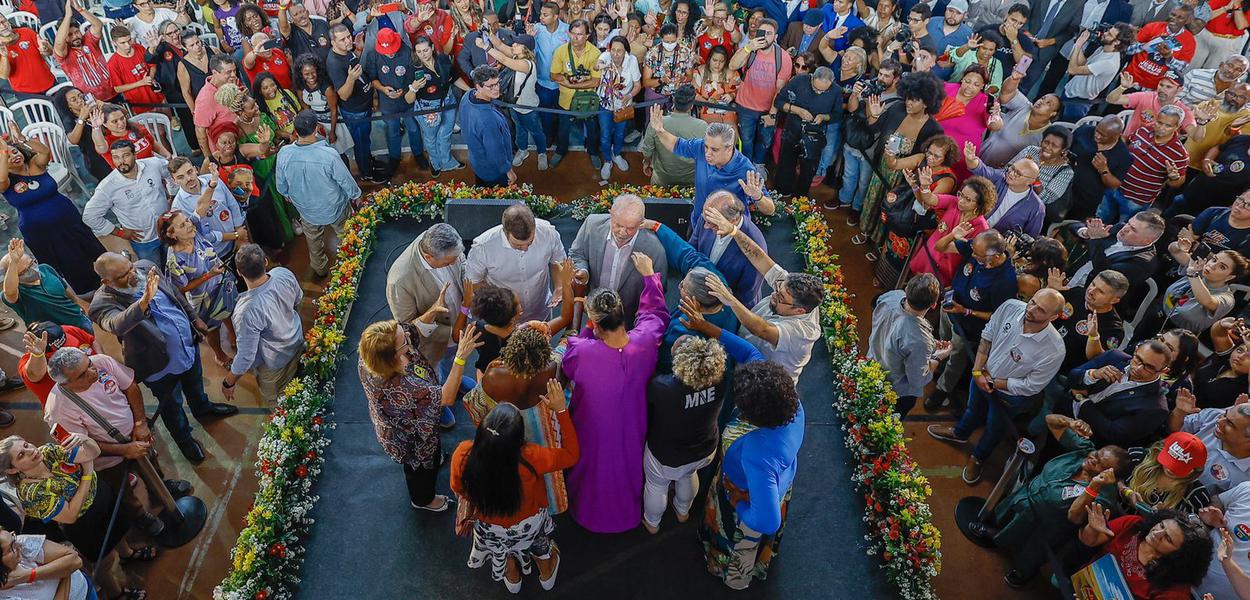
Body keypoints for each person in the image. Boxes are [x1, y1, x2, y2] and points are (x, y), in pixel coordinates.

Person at [89, 252, 237, 463]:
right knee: (172, 406)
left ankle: (203, 409)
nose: (132, 273)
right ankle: (185, 440)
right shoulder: (102, 303)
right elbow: (116, 324)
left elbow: (174, 294)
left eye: (130, 266)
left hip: (186, 347)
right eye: (124, 274)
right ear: (106, 281)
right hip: (158, 365)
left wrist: (195, 320)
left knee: (195, 385)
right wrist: (143, 301)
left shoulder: (145, 267)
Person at [562, 252, 668, 533]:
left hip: (592, 426)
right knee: (628, 465)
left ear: (595, 323)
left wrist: (585, 327)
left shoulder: (582, 351)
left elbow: (570, 361)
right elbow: (655, 315)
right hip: (633, 423)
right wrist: (648, 274)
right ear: (622, 313)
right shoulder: (644, 342)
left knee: (592, 468)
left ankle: (589, 510)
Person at [967, 413, 1130, 587]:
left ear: (1110, 476)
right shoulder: (1084, 450)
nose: (1092, 458)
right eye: (1097, 454)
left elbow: (1074, 517)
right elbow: (1050, 421)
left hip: (1049, 526)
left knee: (1032, 553)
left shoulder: (1104, 498)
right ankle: (994, 533)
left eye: (1100, 464)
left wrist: (1093, 487)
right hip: (1027, 497)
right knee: (1006, 521)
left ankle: (1023, 572)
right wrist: (1070, 422)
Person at [450, 382, 577, 593]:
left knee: (503, 550)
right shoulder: (531, 456)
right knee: (538, 544)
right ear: (519, 439)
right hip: (528, 523)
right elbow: (572, 455)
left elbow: (458, 488)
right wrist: (561, 411)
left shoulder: (463, 454)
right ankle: (546, 571)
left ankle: (512, 574)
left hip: (488, 524)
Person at [929, 289, 1066, 484]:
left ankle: (978, 457)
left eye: (1040, 310)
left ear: (1054, 317)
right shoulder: (1010, 306)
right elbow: (988, 335)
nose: (1031, 309)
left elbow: (1032, 385)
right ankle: (960, 433)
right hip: (981, 375)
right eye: (1033, 302)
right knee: (973, 409)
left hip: (1009, 395)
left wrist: (993, 382)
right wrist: (977, 371)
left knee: (995, 428)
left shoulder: (1054, 349)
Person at [644, 313, 761, 533]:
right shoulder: (720, 380)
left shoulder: (663, 387)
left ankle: (652, 522)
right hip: (704, 447)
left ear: (681, 363)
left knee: (656, 485)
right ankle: (682, 511)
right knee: (689, 476)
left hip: (667, 452)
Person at [44, 347, 171, 540]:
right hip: (107, 459)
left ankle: (160, 489)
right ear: (66, 384)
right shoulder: (59, 409)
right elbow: (83, 447)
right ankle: (140, 517)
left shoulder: (102, 361)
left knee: (151, 462)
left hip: (136, 435)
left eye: (89, 365)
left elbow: (130, 386)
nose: (93, 372)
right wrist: (124, 450)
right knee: (122, 490)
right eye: (82, 375)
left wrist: (140, 423)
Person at [698, 360, 804, 590]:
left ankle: (737, 580)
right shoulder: (793, 405)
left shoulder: (757, 453)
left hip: (746, 496)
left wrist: (739, 503)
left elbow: (768, 521)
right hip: (777, 484)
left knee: (742, 547)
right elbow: (750, 352)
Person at [0, 435, 145, 600]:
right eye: (21, 455)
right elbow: (70, 515)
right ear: (12, 469)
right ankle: (116, 593)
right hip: (84, 523)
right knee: (106, 560)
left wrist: (84, 439)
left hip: (101, 497)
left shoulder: (47, 452)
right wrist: (88, 474)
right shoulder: (31, 493)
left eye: (26, 445)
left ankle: (127, 554)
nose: (30, 451)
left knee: (119, 528)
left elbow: (92, 453)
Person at [359, 319, 482, 511]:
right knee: (420, 471)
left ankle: (433, 458)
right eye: (404, 341)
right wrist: (460, 357)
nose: (408, 336)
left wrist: (433, 310)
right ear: (393, 356)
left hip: (420, 423)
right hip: (411, 438)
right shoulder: (405, 386)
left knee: (431, 456)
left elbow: (411, 329)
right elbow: (446, 397)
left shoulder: (369, 357)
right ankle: (423, 500)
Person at [697, 209, 824, 383]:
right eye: (778, 288)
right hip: (746, 356)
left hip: (764, 381)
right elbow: (758, 257)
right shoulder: (788, 288)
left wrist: (729, 298)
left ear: (799, 310)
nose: (773, 295)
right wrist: (733, 231)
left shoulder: (803, 332)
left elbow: (761, 329)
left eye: (780, 298)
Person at [0, 131, 106, 295]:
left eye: (15, 151)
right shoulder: (6, 182)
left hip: (69, 219)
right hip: (42, 233)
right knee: (68, 262)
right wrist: (3, 152)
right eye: (8, 157)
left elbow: (44, 152)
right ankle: (89, 295)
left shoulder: (36, 164)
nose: (14, 156)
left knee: (92, 249)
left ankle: (113, 278)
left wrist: (23, 139)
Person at [644, 104, 778, 234]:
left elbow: (770, 209)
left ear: (729, 148)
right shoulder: (701, 147)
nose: (707, 153)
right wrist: (659, 130)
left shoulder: (746, 170)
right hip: (699, 223)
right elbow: (676, 144)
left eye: (714, 150)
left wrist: (758, 197)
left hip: (727, 232)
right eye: (707, 147)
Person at [854, 71, 945, 242]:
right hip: (882, 166)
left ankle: (878, 240)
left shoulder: (933, 129)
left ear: (927, 102)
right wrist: (873, 114)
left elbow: (925, 159)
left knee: (891, 206)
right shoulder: (897, 108)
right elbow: (874, 129)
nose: (909, 102)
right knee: (872, 198)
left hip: (903, 177)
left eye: (915, 99)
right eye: (908, 97)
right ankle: (865, 231)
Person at [275, 111, 361, 279]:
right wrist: (356, 194)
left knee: (314, 242)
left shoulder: (284, 154)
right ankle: (353, 263)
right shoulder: (328, 155)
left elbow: (281, 186)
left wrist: (289, 195)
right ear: (316, 129)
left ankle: (319, 268)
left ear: (296, 131)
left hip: (307, 211)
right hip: (335, 207)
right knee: (347, 236)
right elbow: (346, 181)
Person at [157, 209, 242, 366]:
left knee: (228, 311)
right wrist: (208, 275)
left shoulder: (196, 234)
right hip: (204, 300)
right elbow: (180, 289)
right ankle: (220, 355)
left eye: (187, 220)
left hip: (222, 285)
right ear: (172, 234)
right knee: (212, 329)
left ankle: (233, 335)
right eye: (183, 225)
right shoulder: (175, 260)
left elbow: (201, 206)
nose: (189, 225)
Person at [223, 244, 306, 405]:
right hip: (297, 342)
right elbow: (298, 299)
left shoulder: (245, 311)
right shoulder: (283, 274)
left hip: (276, 366)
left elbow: (246, 355)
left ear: (239, 273)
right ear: (265, 262)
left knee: (282, 407)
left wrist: (229, 381)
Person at [569, 195, 667, 328]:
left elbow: (659, 292)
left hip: (628, 324)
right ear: (611, 214)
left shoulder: (654, 248)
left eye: (631, 228)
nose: (623, 232)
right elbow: (577, 253)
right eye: (618, 225)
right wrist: (583, 271)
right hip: (593, 316)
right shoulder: (592, 224)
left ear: (641, 222)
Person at [1078, 506, 1213, 599]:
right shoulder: (1133, 524)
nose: (1156, 533)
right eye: (1161, 525)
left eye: (1168, 538)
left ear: (1181, 555)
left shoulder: (1175, 590)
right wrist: (1093, 529)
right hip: (1079, 586)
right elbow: (1088, 541)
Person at [1057, 339, 1172, 448]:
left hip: (1081, 443)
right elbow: (1071, 377)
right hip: (1059, 412)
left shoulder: (1156, 407)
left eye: (1149, 367)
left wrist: (1081, 399)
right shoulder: (1114, 357)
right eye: (1138, 359)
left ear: (1163, 371)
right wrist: (1093, 375)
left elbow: (1114, 434)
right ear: (1136, 350)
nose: (1138, 368)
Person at [465, 203, 568, 324]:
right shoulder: (483, 246)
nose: (525, 249)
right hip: (503, 320)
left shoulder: (548, 233)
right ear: (505, 232)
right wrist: (502, 302)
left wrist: (559, 287)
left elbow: (558, 262)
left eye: (530, 243)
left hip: (541, 312)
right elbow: (473, 283)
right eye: (518, 245)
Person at [868, 273, 953, 416]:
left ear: (907, 290)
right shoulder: (920, 340)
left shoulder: (891, 297)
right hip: (894, 392)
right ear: (934, 305)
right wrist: (938, 356)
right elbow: (917, 380)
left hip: (871, 366)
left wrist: (930, 344)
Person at [82, 141, 173, 266]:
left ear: (135, 155)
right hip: (144, 241)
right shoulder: (108, 187)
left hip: (169, 230)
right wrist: (120, 232)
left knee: (175, 264)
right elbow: (89, 216)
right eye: (116, 157)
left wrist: (173, 196)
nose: (121, 161)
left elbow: (172, 171)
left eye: (125, 155)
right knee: (154, 271)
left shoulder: (153, 164)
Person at [386, 224, 465, 365]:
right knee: (441, 372)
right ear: (429, 257)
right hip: (436, 343)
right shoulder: (400, 280)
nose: (455, 263)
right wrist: (433, 310)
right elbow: (408, 329)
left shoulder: (440, 240)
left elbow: (462, 263)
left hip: (459, 324)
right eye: (448, 262)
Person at [727, 17, 792, 168]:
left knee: (765, 141)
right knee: (746, 139)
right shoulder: (750, 50)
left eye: (769, 33)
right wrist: (749, 48)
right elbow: (732, 65)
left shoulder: (783, 57)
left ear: (776, 37)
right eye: (762, 32)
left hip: (768, 109)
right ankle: (745, 167)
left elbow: (780, 89)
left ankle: (758, 166)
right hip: (746, 106)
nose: (765, 36)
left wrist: (772, 114)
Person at [908, 175, 996, 286]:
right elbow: (930, 199)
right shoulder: (953, 202)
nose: (961, 201)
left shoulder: (981, 229)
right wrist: (925, 187)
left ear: (979, 205)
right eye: (961, 195)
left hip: (943, 272)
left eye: (967, 199)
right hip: (927, 257)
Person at [325, 22, 382, 183]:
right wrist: (351, 79)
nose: (348, 41)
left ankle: (369, 163)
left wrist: (372, 96)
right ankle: (367, 173)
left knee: (366, 140)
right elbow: (343, 95)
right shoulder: (335, 63)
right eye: (342, 39)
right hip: (355, 111)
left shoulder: (347, 52)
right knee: (361, 143)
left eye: (348, 36)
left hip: (364, 105)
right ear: (333, 42)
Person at [689, 191, 767, 306]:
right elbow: (692, 249)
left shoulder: (755, 246)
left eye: (712, 223)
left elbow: (747, 294)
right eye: (704, 219)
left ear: (732, 221)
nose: (705, 226)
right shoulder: (708, 217)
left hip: (731, 308)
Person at [773, 66, 841, 197]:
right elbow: (779, 102)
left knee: (808, 170)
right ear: (812, 78)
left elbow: (837, 114)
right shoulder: (799, 81)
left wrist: (823, 117)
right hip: (793, 130)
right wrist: (798, 110)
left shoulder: (836, 90)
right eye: (816, 89)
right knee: (786, 164)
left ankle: (800, 199)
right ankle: (782, 193)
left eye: (824, 91)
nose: (819, 93)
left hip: (814, 136)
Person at [365, 29, 424, 178]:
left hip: (407, 99)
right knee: (392, 131)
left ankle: (418, 154)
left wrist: (404, 91)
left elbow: (413, 79)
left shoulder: (407, 52)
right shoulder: (373, 55)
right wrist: (383, 89)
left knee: (413, 128)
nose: (389, 54)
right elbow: (372, 78)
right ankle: (394, 158)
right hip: (387, 102)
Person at [169, 156, 247, 262]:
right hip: (217, 255)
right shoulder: (179, 206)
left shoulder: (213, 179)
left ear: (196, 169)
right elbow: (201, 235)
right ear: (174, 181)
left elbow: (232, 204)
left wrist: (239, 231)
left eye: (190, 172)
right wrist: (236, 236)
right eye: (180, 177)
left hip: (239, 240)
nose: (188, 179)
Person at [549, 19, 601, 172]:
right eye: (573, 34)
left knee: (592, 129)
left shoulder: (595, 53)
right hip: (566, 99)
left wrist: (573, 84)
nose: (575, 38)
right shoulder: (561, 51)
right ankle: (560, 151)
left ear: (587, 36)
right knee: (563, 129)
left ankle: (593, 152)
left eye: (580, 34)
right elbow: (553, 75)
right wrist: (566, 80)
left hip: (588, 100)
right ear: (568, 33)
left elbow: (596, 81)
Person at [962, 140, 1045, 236]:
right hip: (970, 229)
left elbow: (1030, 236)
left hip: (994, 246)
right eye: (1012, 168)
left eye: (1018, 173)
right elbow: (981, 169)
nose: (1011, 174)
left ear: (1030, 181)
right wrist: (971, 159)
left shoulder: (1037, 207)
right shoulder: (1000, 177)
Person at [1162, 249, 1248, 333]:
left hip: (1177, 333)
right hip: (1159, 310)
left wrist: (1193, 275)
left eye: (1222, 267)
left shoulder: (1227, 299)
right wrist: (1180, 246)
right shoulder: (1198, 270)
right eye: (1214, 260)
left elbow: (1207, 301)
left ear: (1230, 277)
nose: (1212, 266)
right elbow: (1173, 250)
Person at [1061, 24, 1134, 121]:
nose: (1105, 33)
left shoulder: (1109, 63)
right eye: (1108, 31)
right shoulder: (1102, 49)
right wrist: (1080, 45)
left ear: (1117, 42)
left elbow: (1072, 70)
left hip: (1077, 103)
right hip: (1070, 93)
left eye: (1109, 34)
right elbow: (1084, 64)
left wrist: (1078, 46)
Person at [459, 65, 517, 187]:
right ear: (478, 86)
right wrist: (508, 170)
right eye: (491, 86)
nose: (496, 89)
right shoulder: (488, 119)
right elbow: (495, 151)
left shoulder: (467, 96)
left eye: (497, 83)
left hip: (477, 161)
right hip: (493, 171)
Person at [595, 36, 642, 183]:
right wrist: (601, 66)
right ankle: (607, 160)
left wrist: (629, 96)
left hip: (623, 106)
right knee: (605, 134)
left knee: (620, 133)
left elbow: (637, 85)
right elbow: (597, 64)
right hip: (605, 104)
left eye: (619, 51)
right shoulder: (606, 56)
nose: (615, 54)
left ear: (625, 52)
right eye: (613, 50)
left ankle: (617, 154)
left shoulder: (632, 61)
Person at [1068, 115, 1132, 221]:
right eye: (1097, 131)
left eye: (1103, 135)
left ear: (1117, 136)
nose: (1097, 136)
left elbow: (1115, 184)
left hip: (1085, 200)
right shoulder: (1084, 131)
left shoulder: (1123, 156)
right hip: (1063, 185)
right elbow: (1066, 146)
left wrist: (1103, 170)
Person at [640, 84, 707, 186]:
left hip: (662, 179)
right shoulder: (702, 126)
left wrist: (646, 163)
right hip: (691, 180)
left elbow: (647, 151)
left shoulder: (657, 122)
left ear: (674, 101)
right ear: (691, 105)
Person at [0, 528, 90, 600]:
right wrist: (65, 571)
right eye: (11, 547)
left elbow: (76, 561)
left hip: (83, 587)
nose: (18, 544)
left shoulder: (21, 542)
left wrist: (27, 576)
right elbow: (71, 564)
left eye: (13, 536)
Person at [53, 0, 114, 103]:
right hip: (91, 100)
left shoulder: (88, 40)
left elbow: (98, 25)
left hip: (114, 89)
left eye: (77, 32)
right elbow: (58, 43)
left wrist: (79, 9)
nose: (75, 36)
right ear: (65, 38)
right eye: (70, 35)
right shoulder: (64, 54)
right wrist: (68, 16)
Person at [1122, 6, 1197, 90]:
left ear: (1188, 21)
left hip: (1154, 87)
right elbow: (1128, 50)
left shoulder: (1189, 41)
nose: (1174, 18)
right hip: (1130, 78)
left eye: (1180, 17)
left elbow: (1181, 68)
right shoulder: (1152, 27)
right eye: (1173, 14)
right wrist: (1147, 45)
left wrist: (1169, 57)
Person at [1109, 71, 1196, 140]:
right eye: (1161, 85)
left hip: (1153, 153)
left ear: (1179, 90)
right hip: (1127, 142)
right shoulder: (1146, 96)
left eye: (1169, 87)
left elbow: (1196, 136)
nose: (1162, 89)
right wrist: (1122, 87)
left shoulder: (1183, 111)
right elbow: (1111, 100)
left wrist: (1201, 122)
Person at [105, 25, 165, 114]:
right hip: (140, 103)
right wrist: (141, 83)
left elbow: (152, 65)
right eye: (123, 42)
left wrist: (150, 78)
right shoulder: (112, 63)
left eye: (129, 40)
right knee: (153, 127)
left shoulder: (138, 47)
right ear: (114, 43)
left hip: (157, 96)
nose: (127, 45)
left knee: (169, 120)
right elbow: (117, 88)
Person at [89, 103, 171, 167]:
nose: (121, 123)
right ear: (105, 124)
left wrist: (167, 155)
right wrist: (96, 127)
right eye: (115, 121)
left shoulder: (135, 127)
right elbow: (100, 146)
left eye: (122, 118)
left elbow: (153, 143)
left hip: (154, 166)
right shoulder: (107, 141)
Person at [193, 55, 240, 158]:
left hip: (239, 140)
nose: (234, 75)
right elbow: (200, 131)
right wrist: (210, 159)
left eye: (234, 71)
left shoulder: (232, 83)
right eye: (228, 72)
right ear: (215, 73)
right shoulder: (205, 98)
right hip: (225, 151)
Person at [0, 17, 55, 95]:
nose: (3, 26)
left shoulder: (27, 32)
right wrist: (4, 56)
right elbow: (4, 75)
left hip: (49, 82)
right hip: (25, 92)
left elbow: (50, 52)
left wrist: (46, 49)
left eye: (3, 21)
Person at [1179, 54, 1250, 106]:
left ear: (1242, 75)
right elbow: (1175, 98)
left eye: (1238, 70)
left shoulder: (1242, 91)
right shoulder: (1195, 74)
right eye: (1230, 65)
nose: (1231, 71)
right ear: (1221, 65)